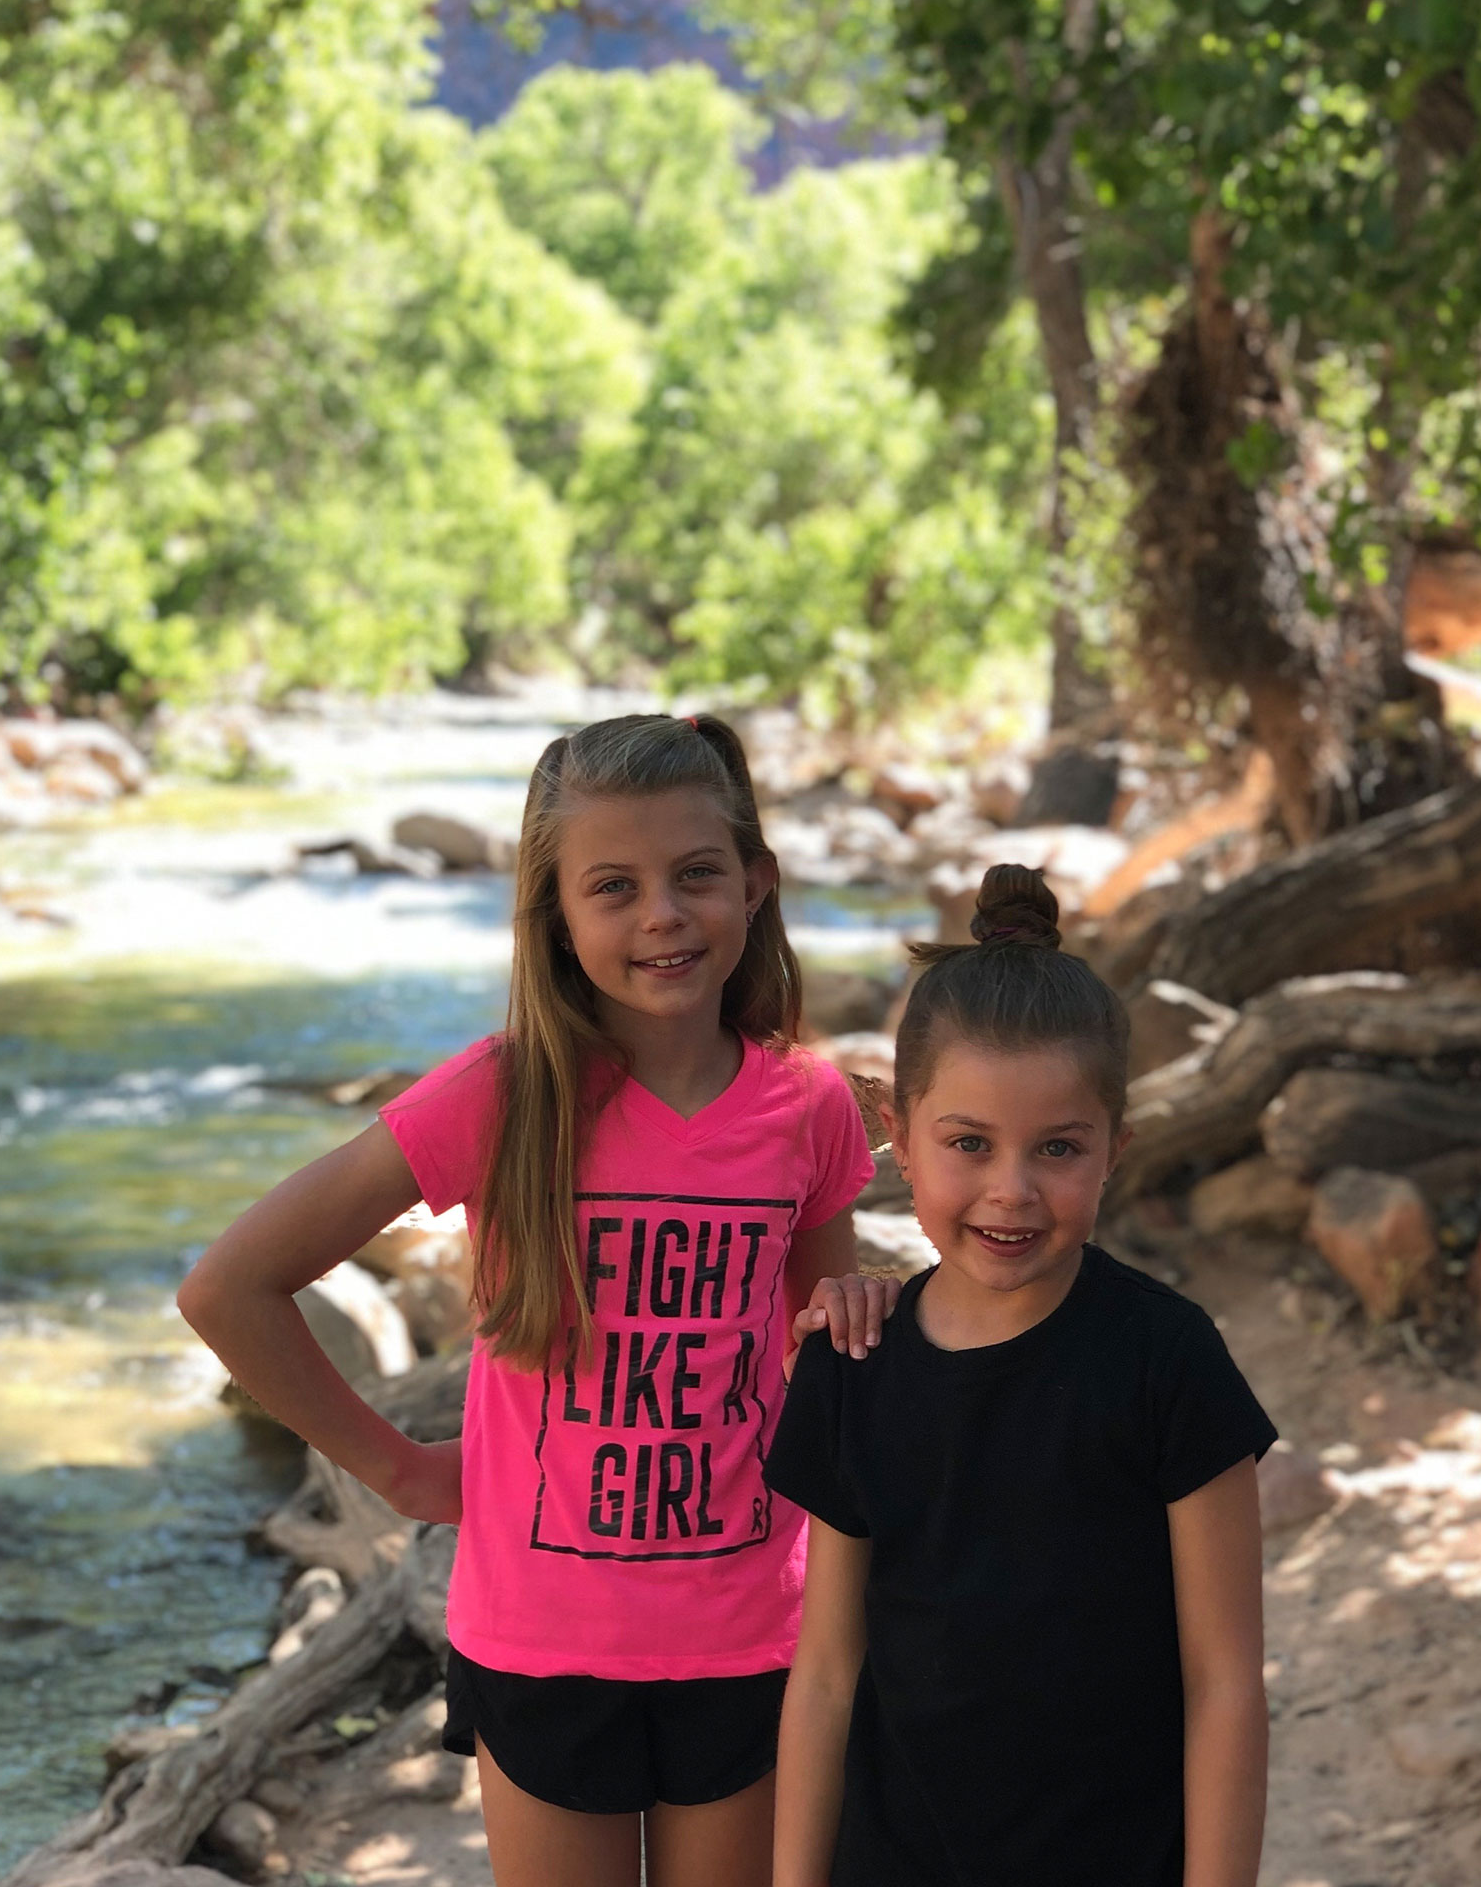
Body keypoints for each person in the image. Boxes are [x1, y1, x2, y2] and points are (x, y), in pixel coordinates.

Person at [178, 712, 895, 1887]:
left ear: (756, 884)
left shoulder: (807, 1105)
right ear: (554, 915)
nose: (663, 915)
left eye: (696, 874)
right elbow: (230, 1287)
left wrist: (870, 1318)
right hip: (544, 1647)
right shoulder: (499, 1095)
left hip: (754, 1638)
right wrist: (401, 1471)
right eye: (613, 887)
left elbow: (822, 1368)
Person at [767, 863, 1274, 1887]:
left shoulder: (1168, 1360)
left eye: (1057, 1149)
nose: (1013, 1190)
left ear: (1115, 1150)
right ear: (899, 1138)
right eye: (969, 1143)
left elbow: (1224, 1682)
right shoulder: (854, 1363)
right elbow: (824, 1676)